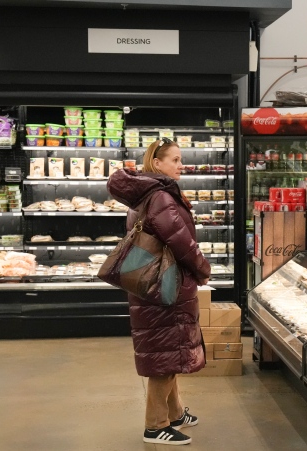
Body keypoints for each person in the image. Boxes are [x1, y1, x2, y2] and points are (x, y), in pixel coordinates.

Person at [107, 138, 211, 446]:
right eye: (176, 160)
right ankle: (155, 426)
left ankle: (175, 413)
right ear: (157, 164)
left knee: (170, 351)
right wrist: (203, 269)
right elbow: (182, 243)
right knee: (166, 357)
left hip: (151, 282)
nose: (182, 165)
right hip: (166, 284)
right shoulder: (162, 197)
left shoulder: (145, 194)